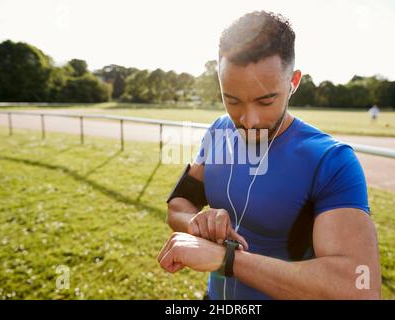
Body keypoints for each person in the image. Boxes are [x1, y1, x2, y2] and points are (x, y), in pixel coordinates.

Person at [158, 11, 381, 300]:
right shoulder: (219, 131)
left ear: (293, 82)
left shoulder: (331, 161)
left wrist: (228, 259)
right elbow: (179, 203)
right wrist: (196, 223)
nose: (248, 121)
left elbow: (359, 289)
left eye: (266, 100)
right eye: (232, 100)